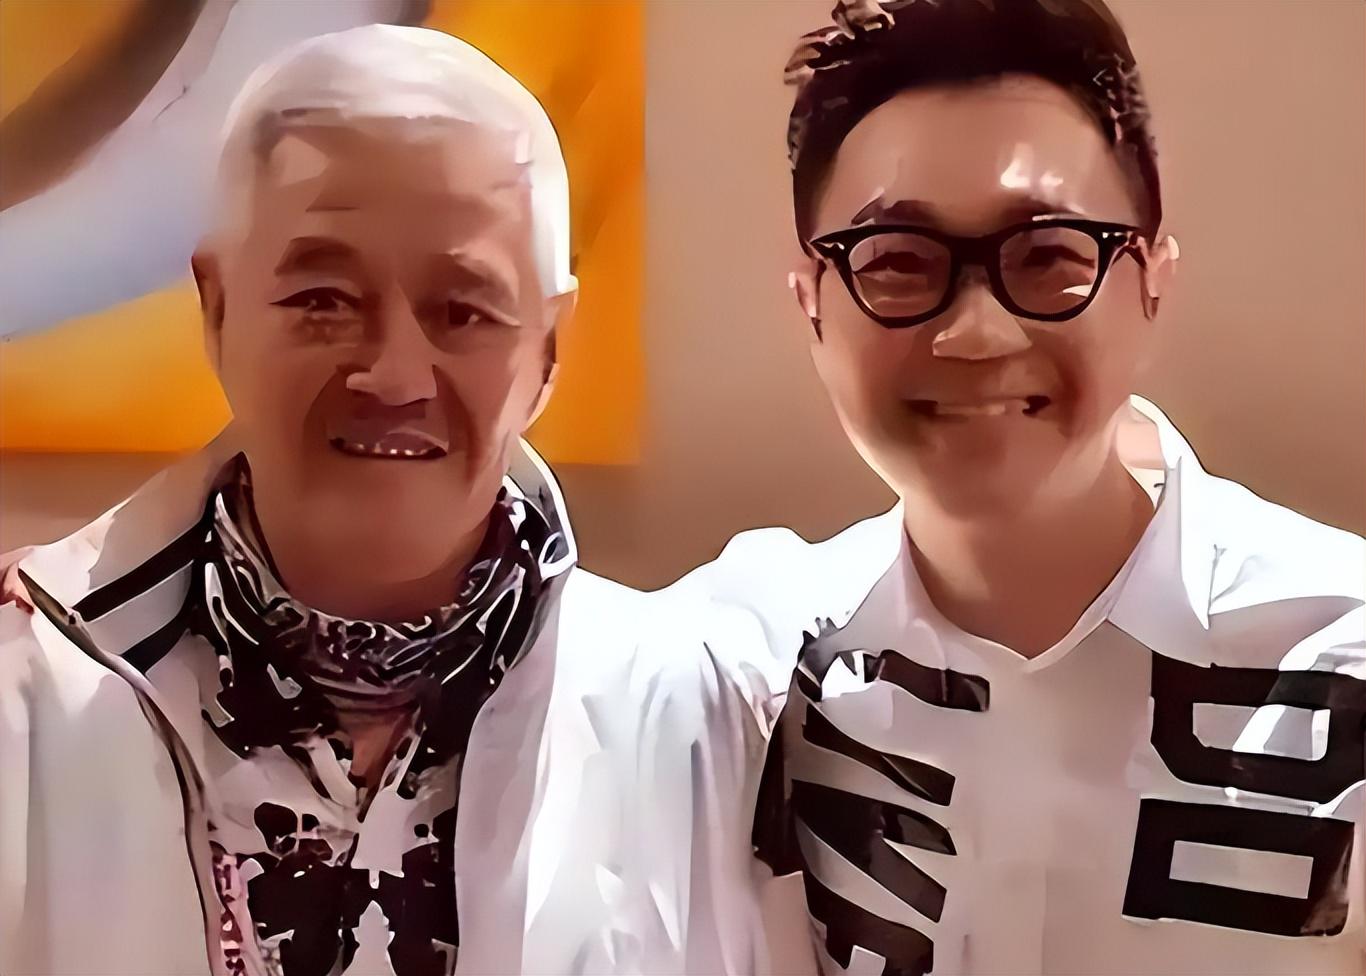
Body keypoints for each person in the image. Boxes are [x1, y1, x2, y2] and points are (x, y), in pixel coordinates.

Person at [0, 25, 784, 975]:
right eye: (323, 299)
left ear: (549, 348)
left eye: (463, 311)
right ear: (218, 308)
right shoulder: (27, 692)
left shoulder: (702, 718)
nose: (394, 374)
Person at [675, 1, 1365, 973]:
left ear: (1152, 282)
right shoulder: (737, 666)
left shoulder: (1341, 649)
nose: (977, 334)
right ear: (810, 305)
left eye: (1047, 257)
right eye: (898, 261)